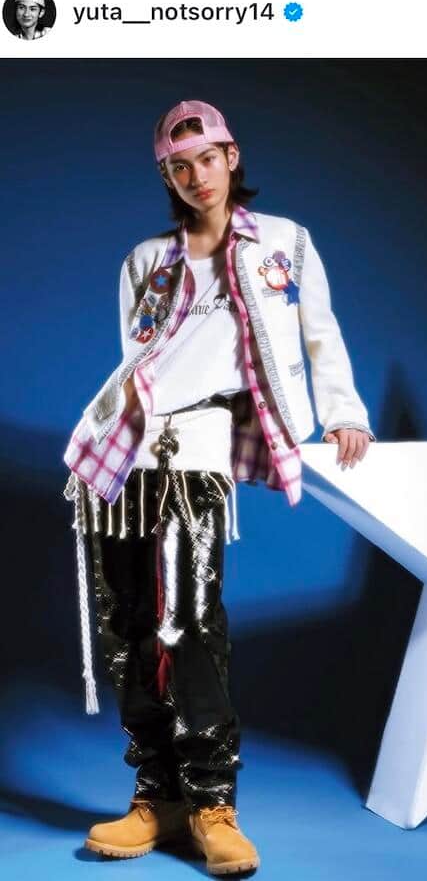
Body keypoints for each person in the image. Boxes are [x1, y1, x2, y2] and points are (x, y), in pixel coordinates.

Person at [62, 99, 375, 876]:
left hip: (199, 446)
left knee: (190, 622)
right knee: (127, 624)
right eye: (179, 166)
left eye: (208, 158)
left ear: (232, 157)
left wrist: (343, 412)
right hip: (123, 451)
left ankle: (211, 802)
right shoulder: (145, 260)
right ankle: (157, 797)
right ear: (166, 176)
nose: (197, 176)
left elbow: (319, 334)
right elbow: (136, 362)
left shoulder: (283, 243)